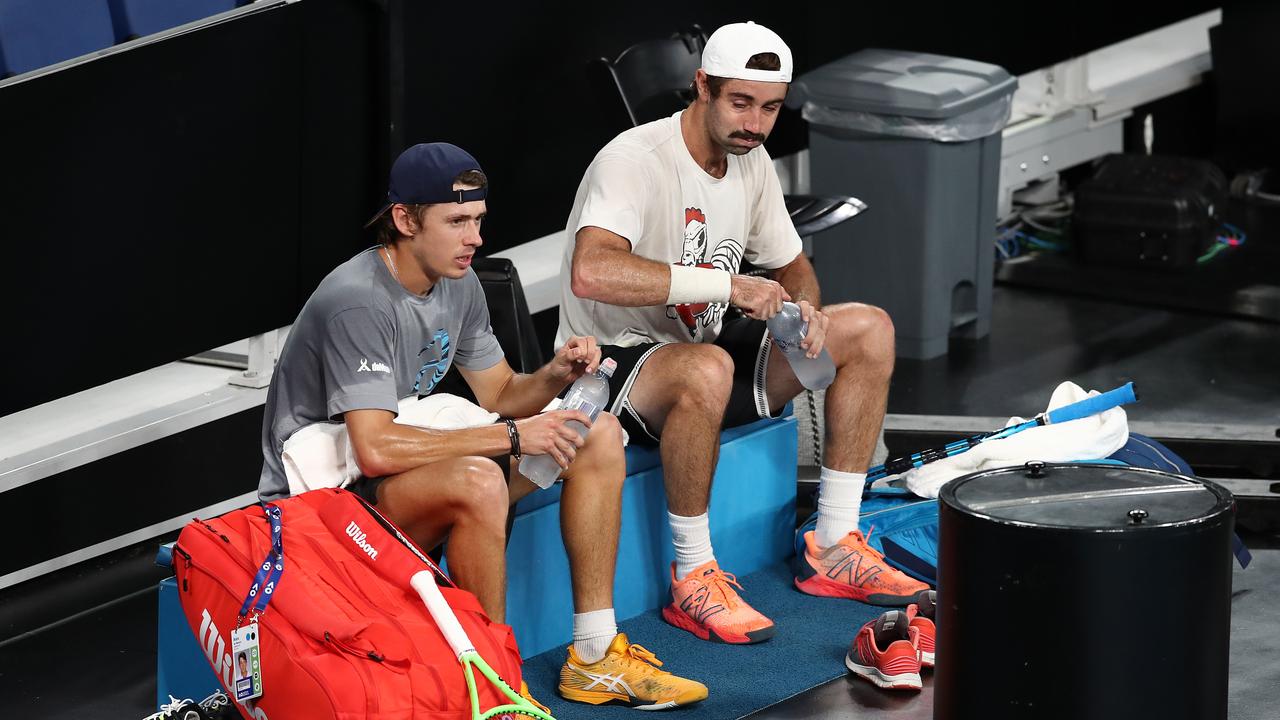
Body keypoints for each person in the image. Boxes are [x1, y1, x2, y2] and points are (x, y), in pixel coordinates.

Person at [258, 143, 706, 709]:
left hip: (394, 473)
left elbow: (499, 392)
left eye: (478, 220)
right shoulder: (357, 301)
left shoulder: (459, 283)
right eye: (456, 222)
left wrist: (553, 374)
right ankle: (492, 690)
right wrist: (514, 437)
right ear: (404, 220)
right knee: (478, 480)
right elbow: (371, 449)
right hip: (320, 507)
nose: (475, 238)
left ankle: (594, 655)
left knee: (592, 436)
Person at [558, 21, 929, 644]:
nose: (755, 124)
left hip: (705, 354)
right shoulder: (632, 160)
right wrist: (728, 287)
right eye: (740, 102)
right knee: (707, 365)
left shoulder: (749, 160)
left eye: (771, 107)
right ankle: (694, 573)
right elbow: (592, 271)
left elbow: (791, 265)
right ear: (701, 86)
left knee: (868, 329)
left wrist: (805, 311)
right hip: (614, 366)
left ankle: (834, 543)